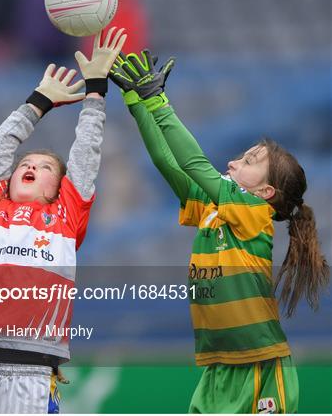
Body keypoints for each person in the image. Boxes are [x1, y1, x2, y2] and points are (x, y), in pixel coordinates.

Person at [109, 50, 330, 414]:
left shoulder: (253, 212)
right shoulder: (214, 208)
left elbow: (195, 164)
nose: (232, 162)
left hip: (258, 366)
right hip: (218, 367)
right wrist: (137, 103)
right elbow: (169, 161)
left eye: (248, 162)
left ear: (266, 193)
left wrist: (158, 102)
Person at [0, 27, 127, 414]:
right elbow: (2, 143)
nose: (30, 166)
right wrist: (37, 103)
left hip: (34, 371)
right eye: (25, 165)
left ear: (60, 186)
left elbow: (85, 153)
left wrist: (95, 92)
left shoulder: (66, 213)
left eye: (45, 167)